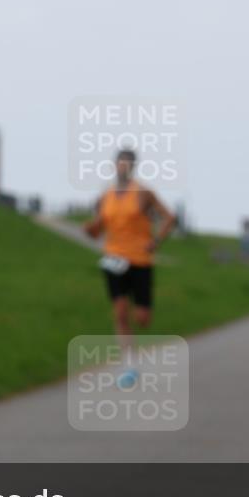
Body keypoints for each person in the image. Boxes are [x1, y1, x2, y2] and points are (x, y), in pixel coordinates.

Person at [83, 150, 176, 379]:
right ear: (114, 165)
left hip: (140, 259)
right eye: (119, 163)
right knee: (120, 312)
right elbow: (97, 230)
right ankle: (129, 365)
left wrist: (155, 241)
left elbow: (169, 218)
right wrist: (90, 229)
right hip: (114, 257)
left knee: (142, 318)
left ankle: (140, 323)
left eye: (126, 164)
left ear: (133, 167)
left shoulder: (143, 193)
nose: (122, 167)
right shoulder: (106, 196)